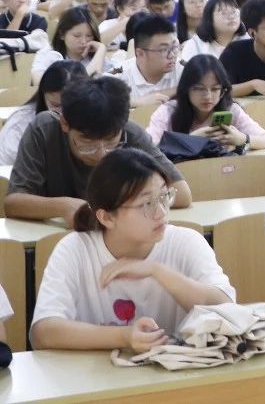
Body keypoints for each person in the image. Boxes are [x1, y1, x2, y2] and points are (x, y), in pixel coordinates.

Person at [30, 147, 234, 351]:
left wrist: (157, 271)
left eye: (164, 196)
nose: (161, 212)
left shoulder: (186, 241)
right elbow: (44, 333)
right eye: (146, 204)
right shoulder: (75, 249)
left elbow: (227, 311)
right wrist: (124, 337)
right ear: (106, 217)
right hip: (96, 370)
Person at [5, 75, 192, 224]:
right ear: (65, 124)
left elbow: (182, 194)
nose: (100, 154)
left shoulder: (130, 133)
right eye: (87, 142)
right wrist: (64, 207)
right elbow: (13, 203)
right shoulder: (44, 130)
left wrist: (124, 206)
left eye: (111, 142)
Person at [146, 55, 265, 152]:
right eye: (199, 89)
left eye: (215, 89)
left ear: (223, 90)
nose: (208, 96)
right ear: (186, 89)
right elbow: (148, 151)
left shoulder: (230, 109)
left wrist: (242, 139)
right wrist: (190, 140)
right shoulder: (167, 111)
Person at [0, 59, 79, 166]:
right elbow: (5, 168)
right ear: (43, 96)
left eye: (70, 106)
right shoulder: (21, 125)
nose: (63, 113)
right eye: (55, 105)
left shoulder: (90, 117)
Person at [33, 7, 106, 87]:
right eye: (77, 36)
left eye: (89, 36)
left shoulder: (97, 55)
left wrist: (100, 50)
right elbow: (40, 83)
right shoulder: (48, 54)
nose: (84, 41)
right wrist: (101, 49)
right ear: (62, 34)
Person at [120, 16, 181, 107]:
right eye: (163, 50)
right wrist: (137, 102)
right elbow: (101, 98)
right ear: (140, 54)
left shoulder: (183, 68)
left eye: (174, 47)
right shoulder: (121, 74)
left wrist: (179, 89)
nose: (172, 55)